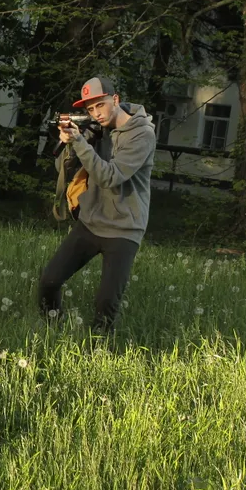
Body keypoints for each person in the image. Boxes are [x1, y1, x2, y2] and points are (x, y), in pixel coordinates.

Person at [38, 76, 156, 335]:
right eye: (90, 109)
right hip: (91, 222)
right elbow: (63, 168)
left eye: (100, 105)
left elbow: (110, 177)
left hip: (124, 228)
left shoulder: (142, 134)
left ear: (115, 99)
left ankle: (98, 350)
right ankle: (52, 332)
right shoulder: (95, 128)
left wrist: (80, 142)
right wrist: (70, 143)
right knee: (49, 281)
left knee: (106, 304)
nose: (96, 113)